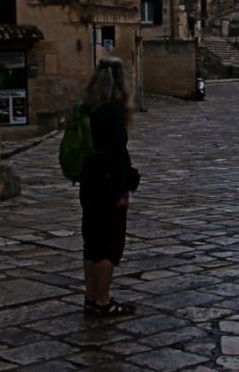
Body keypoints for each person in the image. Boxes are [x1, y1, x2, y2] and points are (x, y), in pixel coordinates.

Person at [79, 57, 138, 317]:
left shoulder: (88, 109)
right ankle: (103, 301)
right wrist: (121, 191)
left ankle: (91, 297)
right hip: (107, 186)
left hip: (89, 184)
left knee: (91, 243)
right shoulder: (113, 113)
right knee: (109, 245)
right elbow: (115, 156)